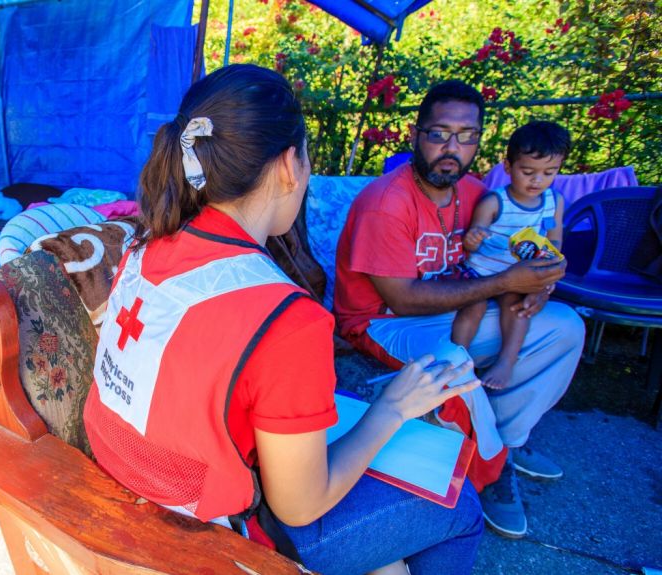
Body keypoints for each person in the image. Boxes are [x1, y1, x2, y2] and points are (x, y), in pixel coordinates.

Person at [84, 64, 484, 575]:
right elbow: (299, 505)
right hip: (207, 527)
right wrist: (393, 407)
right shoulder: (287, 316)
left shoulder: (146, 243)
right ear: (291, 164)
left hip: (125, 472)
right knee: (462, 508)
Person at [334, 80, 585, 539]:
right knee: (451, 362)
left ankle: (508, 437)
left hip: (459, 306)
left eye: (466, 136)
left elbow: (527, 253)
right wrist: (506, 282)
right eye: (439, 134)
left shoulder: (480, 195)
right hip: (382, 323)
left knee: (565, 326)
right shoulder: (385, 203)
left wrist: (539, 285)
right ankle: (492, 469)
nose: (452, 148)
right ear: (415, 134)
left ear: (479, 142)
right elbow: (402, 299)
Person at [453, 121, 572, 390]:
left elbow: (554, 239)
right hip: (482, 271)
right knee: (473, 307)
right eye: (528, 171)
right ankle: (457, 361)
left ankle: (507, 360)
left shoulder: (554, 202)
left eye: (549, 172)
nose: (537, 180)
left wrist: (548, 273)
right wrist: (473, 238)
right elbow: (471, 245)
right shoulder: (495, 201)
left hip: (519, 274)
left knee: (517, 309)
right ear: (508, 167)